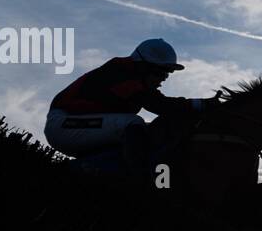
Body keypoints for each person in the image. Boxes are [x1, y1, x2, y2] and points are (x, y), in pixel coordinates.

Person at [44, 38, 217, 175]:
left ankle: (91, 170)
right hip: (63, 124)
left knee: (143, 133)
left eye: (167, 74)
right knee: (133, 124)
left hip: (77, 123)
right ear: (143, 66)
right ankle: (142, 182)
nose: (163, 78)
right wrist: (200, 104)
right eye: (160, 72)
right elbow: (161, 105)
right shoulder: (121, 73)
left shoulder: (131, 74)